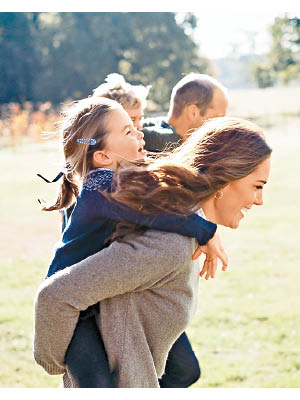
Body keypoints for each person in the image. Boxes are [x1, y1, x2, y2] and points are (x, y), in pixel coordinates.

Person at [34, 116, 272, 387]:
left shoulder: (180, 228)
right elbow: (55, 296)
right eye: (258, 186)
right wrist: (53, 361)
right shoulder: (171, 244)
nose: (260, 200)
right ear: (226, 179)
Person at [142, 72, 228, 152]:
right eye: (218, 119)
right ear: (193, 112)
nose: (220, 127)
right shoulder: (156, 144)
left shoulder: (150, 127)